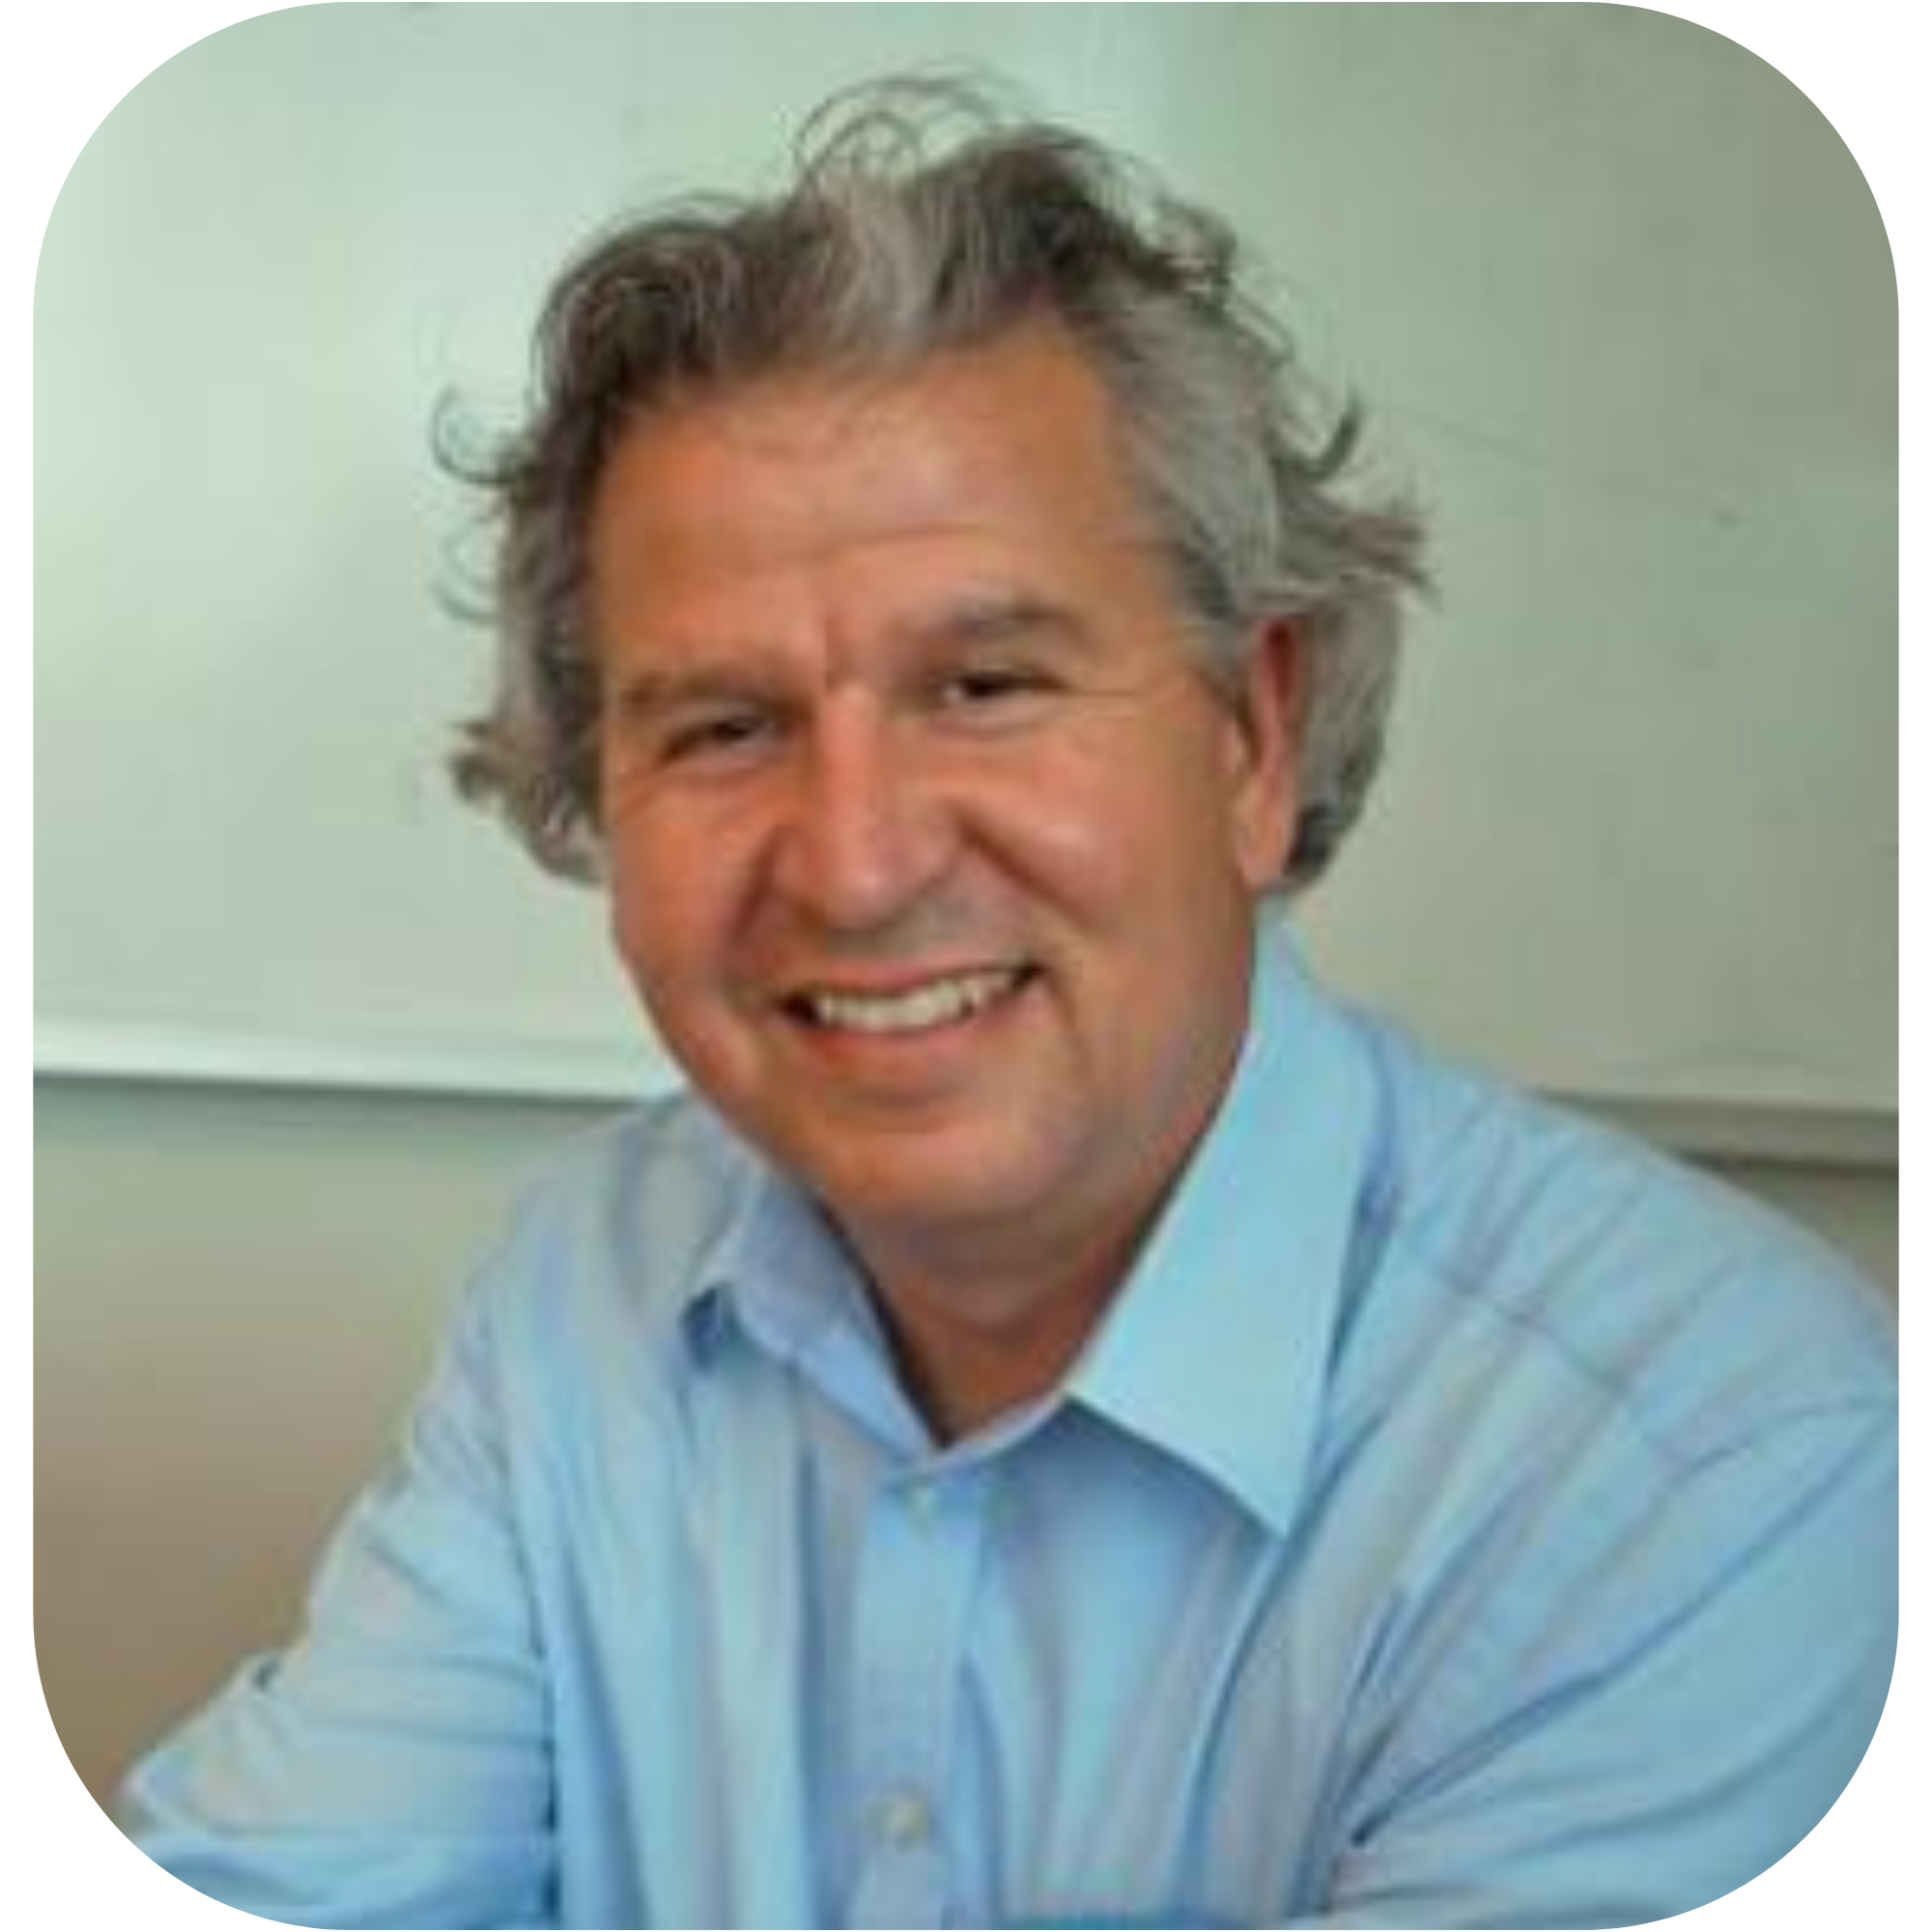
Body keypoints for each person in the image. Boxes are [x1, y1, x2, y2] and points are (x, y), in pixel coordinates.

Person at [118, 79, 1895, 1930]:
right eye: (724, 728)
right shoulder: (590, 1289)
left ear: (1254, 732)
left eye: (986, 686)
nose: (860, 864)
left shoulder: (1719, 1478)